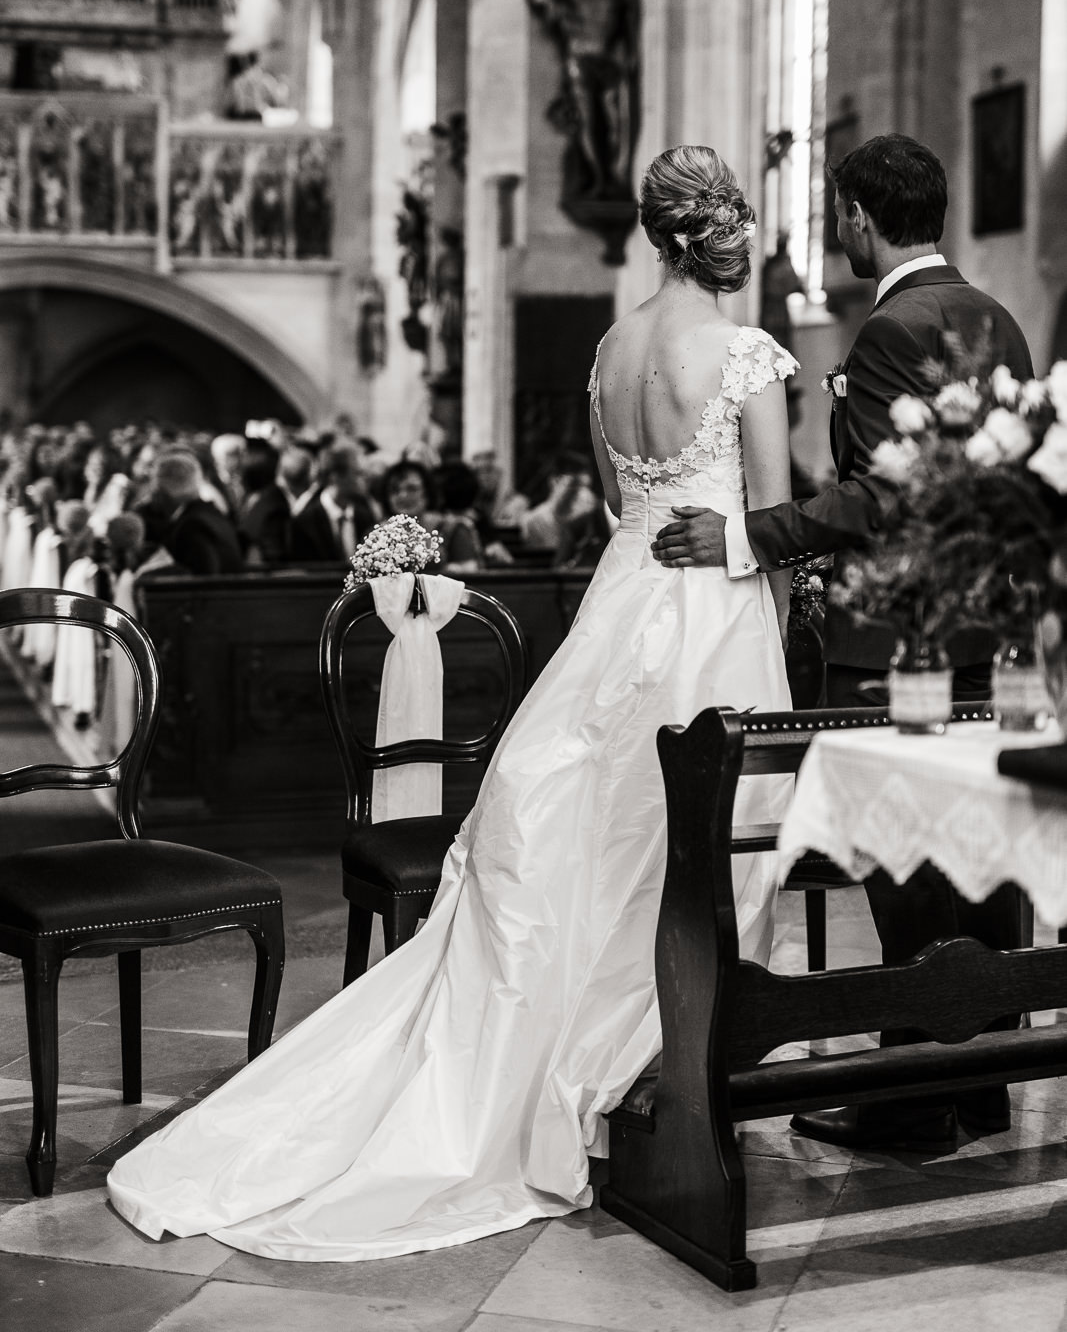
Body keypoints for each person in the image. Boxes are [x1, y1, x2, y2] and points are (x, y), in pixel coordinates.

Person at [107, 144, 796, 1260]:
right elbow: (773, 516)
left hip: (620, 603)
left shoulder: (610, 351)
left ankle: (590, 1066)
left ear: (650, 233)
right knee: (698, 840)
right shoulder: (746, 355)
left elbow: (618, 502)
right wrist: (770, 600)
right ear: (719, 235)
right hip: (713, 618)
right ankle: (651, 1079)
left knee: (593, 833)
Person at [651, 132, 1034, 1155]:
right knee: (976, 858)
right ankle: (979, 1083)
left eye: (839, 216)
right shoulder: (995, 317)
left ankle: (907, 1105)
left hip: (899, 642)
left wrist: (744, 535)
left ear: (858, 216)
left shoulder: (888, 329)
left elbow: (881, 496)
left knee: (904, 868)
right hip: (984, 634)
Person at [149, 452, 244, 576]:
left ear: (165, 489)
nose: (152, 496)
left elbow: (202, 578)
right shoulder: (211, 514)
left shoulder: (192, 526)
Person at [291, 441, 379, 562]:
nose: (366, 479)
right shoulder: (305, 521)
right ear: (336, 476)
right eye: (358, 473)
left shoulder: (365, 516)